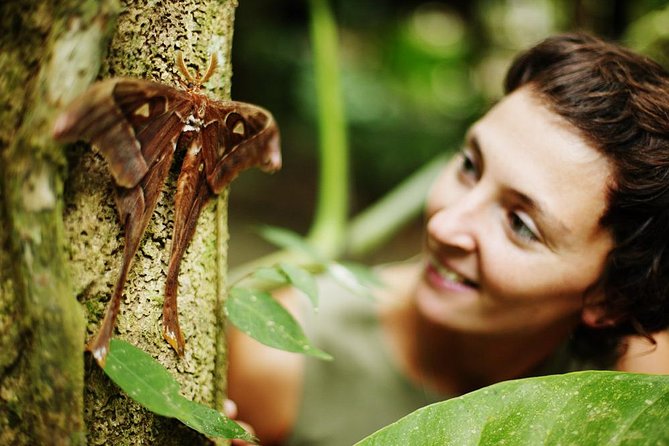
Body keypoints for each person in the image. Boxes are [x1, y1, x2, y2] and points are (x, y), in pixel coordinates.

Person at [227, 33, 669, 445]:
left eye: (520, 224)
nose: (443, 226)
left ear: (612, 299)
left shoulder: (640, 384)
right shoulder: (278, 360)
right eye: (470, 166)